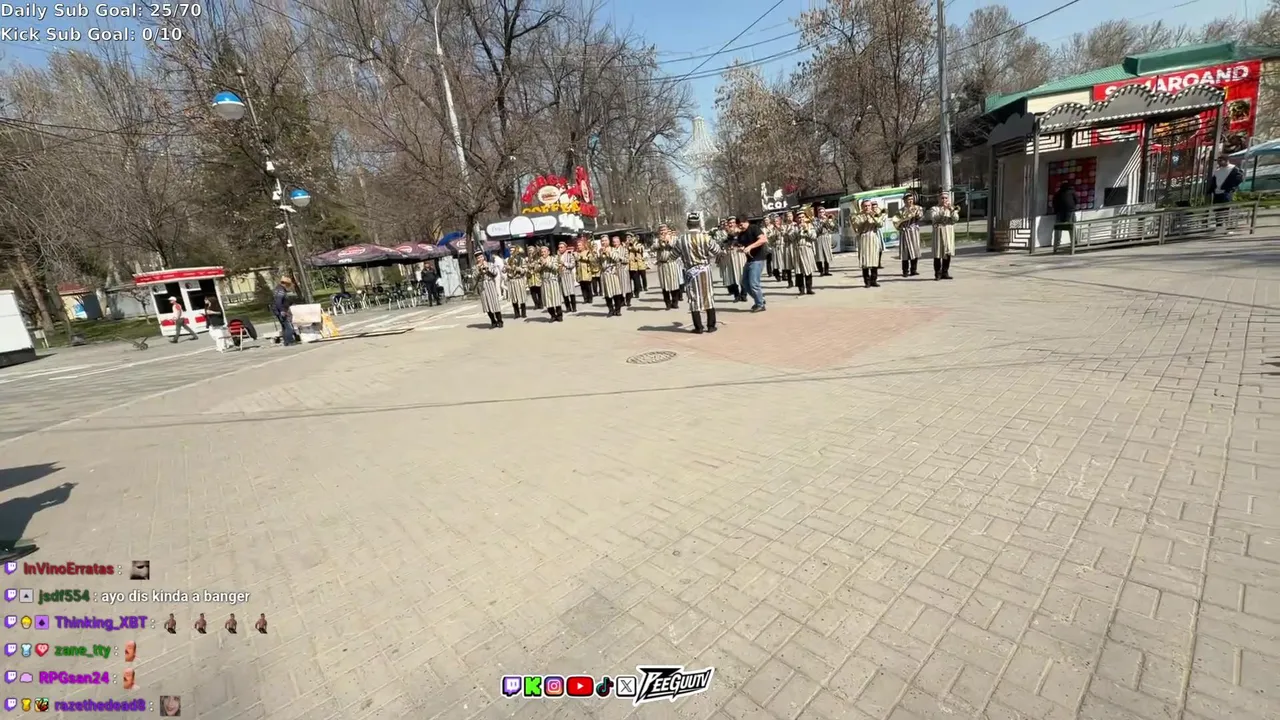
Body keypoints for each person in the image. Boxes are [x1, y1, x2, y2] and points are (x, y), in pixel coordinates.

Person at [672, 211, 723, 334]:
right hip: (704, 271)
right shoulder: (706, 237)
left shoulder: (681, 240)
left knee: (693, 297)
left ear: (688, 224)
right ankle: (711, 326)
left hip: (690, 271)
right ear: (699, 224)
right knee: (708, 296)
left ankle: (698, 327)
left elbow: (673, 256)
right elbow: (717, 251)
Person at [737, 217, 769, 312]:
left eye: (741, 224)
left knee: (754, 283)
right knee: (744, 282)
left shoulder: (754, 228)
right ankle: (760, 299)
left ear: (746, 222)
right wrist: (742, 248)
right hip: (749, 260)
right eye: (738, 225)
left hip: (758, 259)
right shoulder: (741, 234)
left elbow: (763, 239)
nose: (740, 227)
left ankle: (760, 304)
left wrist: (750, 247)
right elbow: (742, 245)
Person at [929, 193, 960, 280]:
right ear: (938, 199)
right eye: (942, 198)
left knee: (947, 252)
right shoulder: (934, 209)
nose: (944, 200)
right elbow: (934, 218)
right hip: (938, 231)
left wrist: (952, 211)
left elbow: (956, 219)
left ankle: (945, 272)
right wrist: (943, 210)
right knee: (938, 253)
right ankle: (937, 273)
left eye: (946, 198)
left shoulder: (951, 208)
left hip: (948, 231)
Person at [1209, 155, 1244, 232]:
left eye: (1220, 161)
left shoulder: (1234, 169)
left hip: (1226, 192)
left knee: (1227, 210)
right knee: (1217, 211)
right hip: (1217, 193)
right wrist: (1212, 189)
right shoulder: (1218, 170)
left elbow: (1239, 178)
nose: (1219, 162)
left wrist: (1231, 187)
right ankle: (1219, 227)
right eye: (1218, 161)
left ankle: (1229, 228)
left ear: (1226, 160)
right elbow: (1214, 180)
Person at [470, 251, 504, 328]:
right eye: (478, 258)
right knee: (487, 304)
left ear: (484, 257)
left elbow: (495, 273)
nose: (480, 259)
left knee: (495, 303)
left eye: (481, 257)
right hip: (482, 286)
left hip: (490, 284)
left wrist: (488, 268)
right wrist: (479, 270)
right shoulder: (474, 267)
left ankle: (500, 321)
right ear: (476, 259)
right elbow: (474, 277)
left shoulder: (490, 264)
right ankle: (493, 321)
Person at [895, 193, 924, 277]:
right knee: (905, 252)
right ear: (904, 201)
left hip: (914, 231)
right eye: (908, 199)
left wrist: (916, 212)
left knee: (915, 250)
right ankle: (905, 271)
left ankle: (913, 270)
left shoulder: (918, 208)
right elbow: (896, 221)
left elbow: (920, 217)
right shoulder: (900, 211)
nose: (910, 201)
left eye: (911, 199)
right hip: (904, 231)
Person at [854, 201, 882, 288]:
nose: (867, 208)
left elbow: (880, 225)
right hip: (864, 237)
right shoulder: (858, 216)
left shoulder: (876, 214)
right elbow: (857, 228)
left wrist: (873, 217)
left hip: (873, 236)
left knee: (874, 260)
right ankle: (867, 282)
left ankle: (874, 280)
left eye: (868, 206)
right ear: (862, 207)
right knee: (865, 261)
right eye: (865, 206)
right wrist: (865, 218)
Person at [654, 224, 682, 310]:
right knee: (664, 285)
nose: (663, 232)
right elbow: (653, 248)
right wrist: (660, 242)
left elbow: (676, 247)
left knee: (674, 283)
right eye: (661, 230)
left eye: (664, 230)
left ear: (667, 230)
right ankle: (667, 304)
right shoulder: (656, 239)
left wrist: (668, 241)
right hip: (662, 264)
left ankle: (675, 302)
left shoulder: (674, 238)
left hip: (671, 263)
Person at [536, 245, 566, 322]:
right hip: (545, 282)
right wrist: (540, 266)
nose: (543, 253)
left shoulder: (553, 259)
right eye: (542, 252)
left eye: (544, 252)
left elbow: (556, 268)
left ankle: (559, 315)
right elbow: (536, 270)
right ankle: (552, 315)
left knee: (556, 299)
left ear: (548, 252)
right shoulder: (539, 260)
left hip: (553, 281)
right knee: (548, 300)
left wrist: (546, 263)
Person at [599, 236, 627, 316]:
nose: (603, 242)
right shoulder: (600, 251)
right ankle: (610, 310)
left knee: (616, 292)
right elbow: (596, 263)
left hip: (613, 273)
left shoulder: (613, 249)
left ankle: (618, 310)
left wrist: (609, 253)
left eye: (605, 240)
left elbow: (617, 259)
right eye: (602, 241)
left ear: (608, 241)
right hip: (604, 274)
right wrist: (596, 255)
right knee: (607, 294)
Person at [793, 209, 818, 295]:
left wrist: (807, 229)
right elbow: (791, 238)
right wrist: (798, 230)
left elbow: (814, 237)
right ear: (796, 219)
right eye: (799, 218)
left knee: (808, 269)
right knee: (799, 271)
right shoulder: (794, 227)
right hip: (798, 249)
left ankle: (809, 288)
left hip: (807, 248)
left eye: (802, 217)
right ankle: (801, 289)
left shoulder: (810, 226)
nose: (801, 219)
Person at [504, 246, 530, 318]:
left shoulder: (521, 259)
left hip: (519, 279)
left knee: (521, 297)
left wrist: (516, 268)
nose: (512, 252)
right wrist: (505, 268)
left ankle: (523, 313)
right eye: (511, 250)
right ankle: (516, 313)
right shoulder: (507, 260)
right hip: (511, 280)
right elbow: (503, 270)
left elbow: (525, 270)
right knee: (514, 298)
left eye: (513, 250)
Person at [270, 278, 297, 346]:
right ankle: (290, 341)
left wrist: (290, 303)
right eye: (288, 284)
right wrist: (282, 310)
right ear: (285, 283)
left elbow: (283, 301)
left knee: (284, 326)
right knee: (289, 327)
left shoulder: (277, 289)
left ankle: (286, 342)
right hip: (281, 310)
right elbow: (278, 302)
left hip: (277, 310)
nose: (288, 286)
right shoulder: (281, 291)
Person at [1053, 181, 1077, 248]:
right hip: (1070, 211)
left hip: (1060, 212)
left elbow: (1054, 202)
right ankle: (1074, 242)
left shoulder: (1058, 193)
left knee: (1058, 228)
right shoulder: (1072, 192)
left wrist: (1056, 210)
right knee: (1071, 227)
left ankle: (1057, 243)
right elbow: (1077, 200)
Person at [557, 240, 579, 313]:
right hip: (561, 276)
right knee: (564, 293)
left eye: (561, 247)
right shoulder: (557, 256)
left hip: (568, 275)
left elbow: (572, 265)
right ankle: (568, 307)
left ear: (565, 248)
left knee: (571, 292)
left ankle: (574, 307)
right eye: (559, 247)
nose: (560, 249)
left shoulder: (570, 255)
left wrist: (564, 263)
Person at [626, 233, 647, 303]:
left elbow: (638, 249)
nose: (628, 239)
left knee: (636, 280)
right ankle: (629, 293)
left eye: (630, 237)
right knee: (628, 281)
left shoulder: (638, 244)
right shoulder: (625, 245)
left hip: (635, 265)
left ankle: (637, 291)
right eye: (627, 237)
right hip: (627, 265)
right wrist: (626, 245)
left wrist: (632, 244)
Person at [814, 210, 836, 276]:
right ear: (818, 213)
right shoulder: (815, 221)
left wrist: (829, 222)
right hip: (819, 237)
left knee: (827, 254)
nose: (821, 213)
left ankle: (826, 271)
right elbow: (816, 230)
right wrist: (821, 224)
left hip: (826, 237)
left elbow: (832, 228)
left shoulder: (827, 219)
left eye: (823, 212)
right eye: (820, 212)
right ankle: (821, 271)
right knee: (819, 255)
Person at [575, 236, 596, 304]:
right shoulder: (577, 253)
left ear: (583, 246)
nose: (578, 247)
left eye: (580, 245)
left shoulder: (587, 252)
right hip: (580, 272)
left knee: (588, 286)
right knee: (582, 286)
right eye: (578, 245)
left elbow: (590, 259)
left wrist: (581, 257)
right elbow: (576, 264)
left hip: (586, 271)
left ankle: (590, 298)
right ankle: (585, 299)